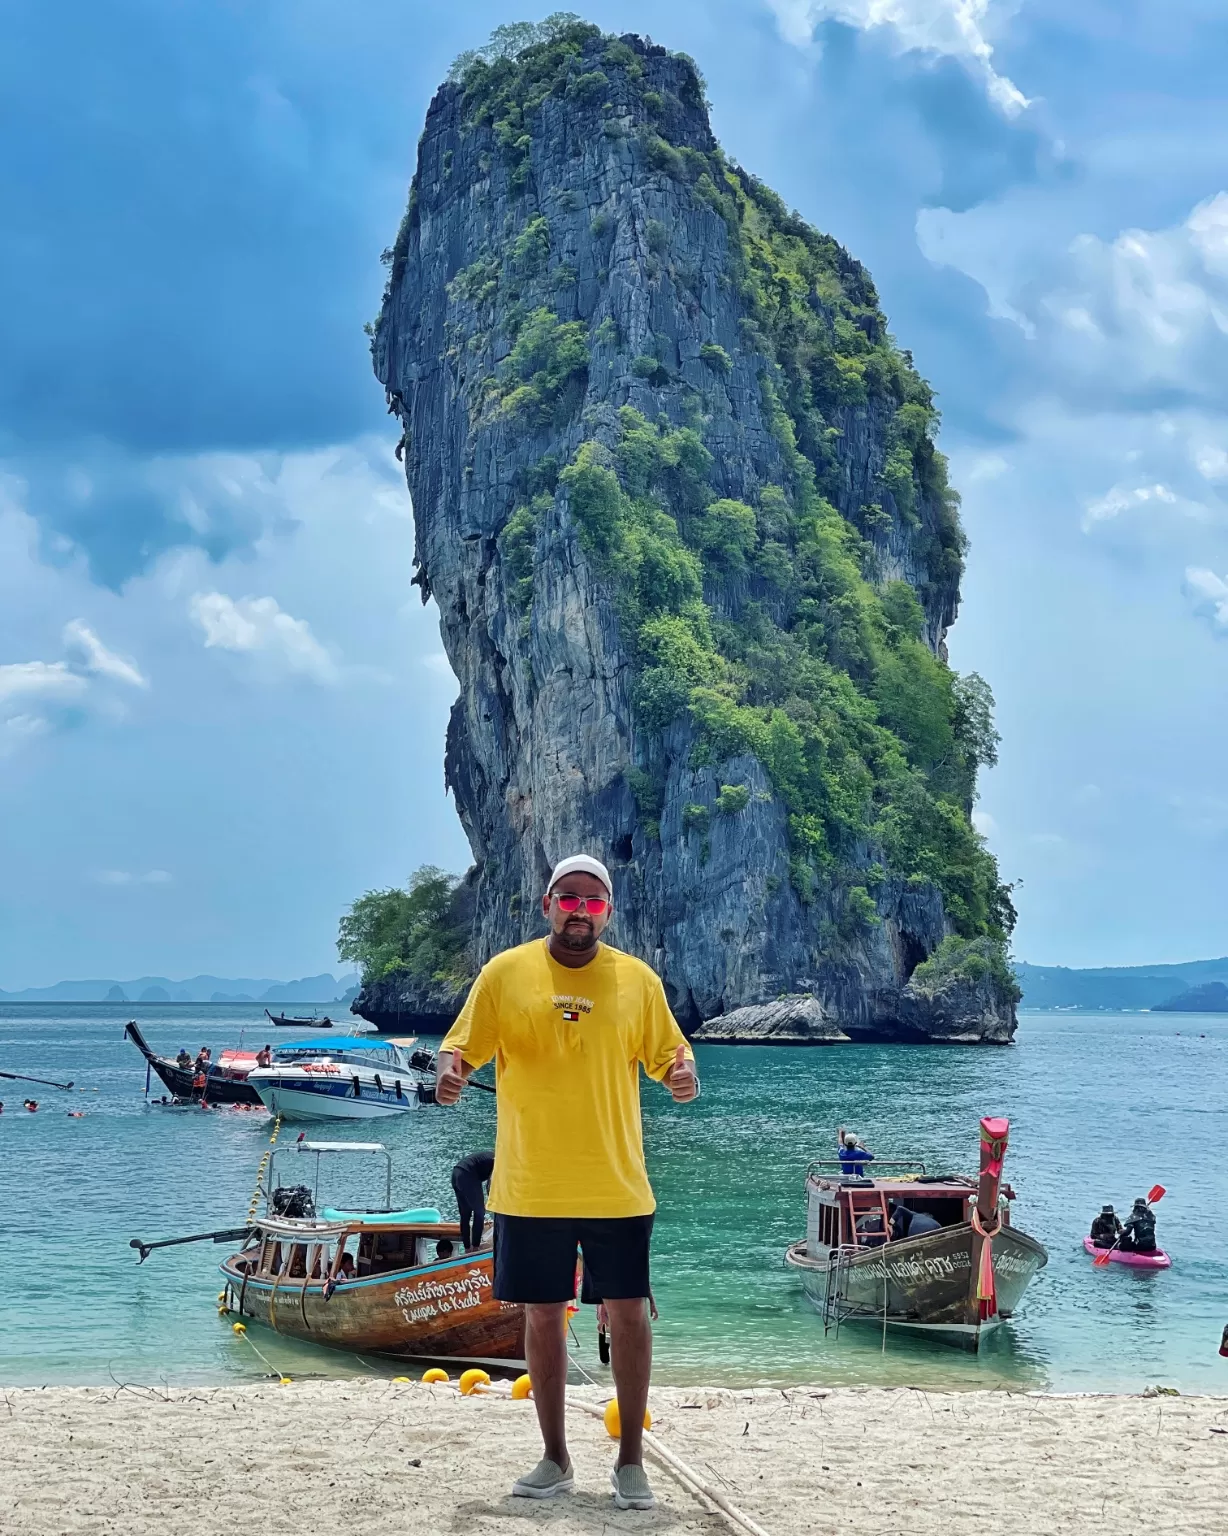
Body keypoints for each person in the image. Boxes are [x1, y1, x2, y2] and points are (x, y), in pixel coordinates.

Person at [436, 853, 698, 1511]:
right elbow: (461, 1045)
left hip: (616, 1185)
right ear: (548, 903)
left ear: (608, 912)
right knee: (542, 1318)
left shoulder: (637, 981)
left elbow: (672, 1052)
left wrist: (683, 1076)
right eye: (569, 897)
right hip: (530, 1186)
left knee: (631, 1315)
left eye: (593, 901)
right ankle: (554, 1457)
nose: (580, 910)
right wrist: (451, 1072)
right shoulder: (505, 974)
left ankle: (631, 1462)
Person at [451, 1150, 494, 1252]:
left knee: (465, 1214)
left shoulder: (491, 1156)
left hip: (456, 1174)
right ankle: (475, 1247)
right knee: (480, 1212)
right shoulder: (498, 1160)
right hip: (467, 1175)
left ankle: (467, 1248)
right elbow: (490, 1185)